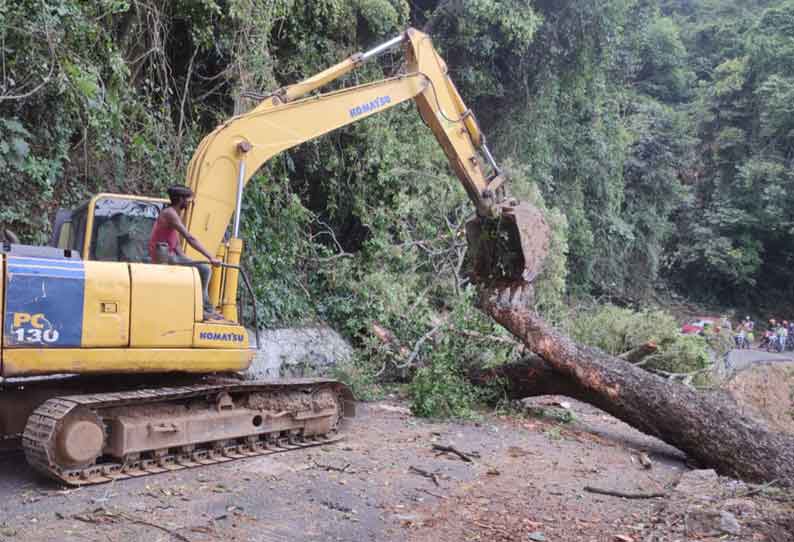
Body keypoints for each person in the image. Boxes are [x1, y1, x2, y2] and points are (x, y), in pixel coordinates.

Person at [149, 185, 222, 320]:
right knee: (205, 269)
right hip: (163, 257)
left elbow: (176, 245)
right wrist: (211, 257)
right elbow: (189, 238)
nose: (190, 202)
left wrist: (189, 262)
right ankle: (204, 309)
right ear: (181, 199)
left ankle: (202, 307)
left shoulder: (173, 214)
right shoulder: (170, 214)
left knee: (197, 268)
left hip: (170, 255)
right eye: (188, 199)